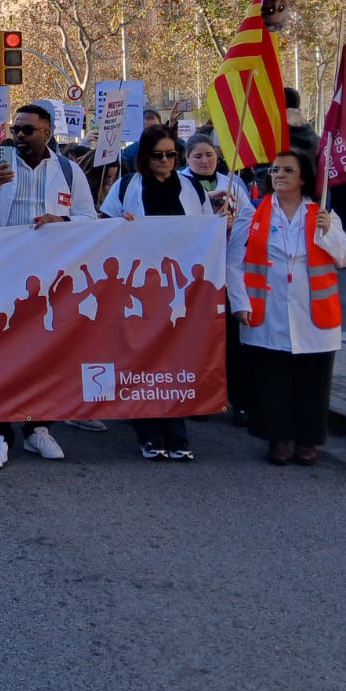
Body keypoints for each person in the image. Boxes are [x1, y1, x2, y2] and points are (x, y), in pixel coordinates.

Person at [0, 104, 98, 469]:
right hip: (2, 277)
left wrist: (63, 220)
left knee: (41, 353)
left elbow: (89, 218)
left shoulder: (68, 171)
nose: (19, 137)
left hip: (48, 280)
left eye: (27, 131)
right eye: (15, 131)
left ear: (47, 133)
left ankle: (37, 427)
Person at [101, 125, 209, 461]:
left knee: (175, 360)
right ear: (146, 157)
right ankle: (148, 433)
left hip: (180, 290)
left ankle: (177, 433)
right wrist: (120, 223)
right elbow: (101, 227)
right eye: (158, 155)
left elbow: (207, 233)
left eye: (171, 155)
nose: (165, 161)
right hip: (139, 289)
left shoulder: (192, 189)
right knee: (143, 359)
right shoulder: (125, 187)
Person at [239, 148, 346, 466]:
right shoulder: (255, 213)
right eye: (275, 171)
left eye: (287, 170)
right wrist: (239, 302)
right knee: (272, 379)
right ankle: (278, 439)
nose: (278, 176)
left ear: (303, 178)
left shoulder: (322, 214)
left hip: (313, 312)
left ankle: (307, 440)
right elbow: (236, 260)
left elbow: (344, 259)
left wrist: (329, 231)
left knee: (312, 381)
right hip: (268, 310)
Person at [180, 132, 256, 421]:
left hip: (225, 271)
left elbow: (248, 220)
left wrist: (230, 227)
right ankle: (201, 398)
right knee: (198, 340)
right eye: (197, 156)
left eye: (209, 155)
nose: (204, 161)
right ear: (187, 158)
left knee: (231, 341)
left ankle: (241, 400)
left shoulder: (233, 184)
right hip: (193, 276)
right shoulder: (181, 185)